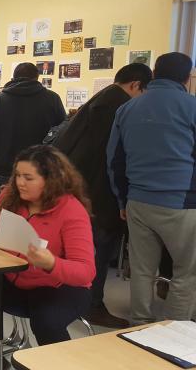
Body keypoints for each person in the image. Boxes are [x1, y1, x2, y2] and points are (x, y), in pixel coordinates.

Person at [0, 145, 95, 368]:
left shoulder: (71, 210)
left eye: (28, 177)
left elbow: (85, 271)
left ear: (51, 179)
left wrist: (51, 263)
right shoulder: (11, 195)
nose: (20, 182)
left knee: (46, 322)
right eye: (17, 175)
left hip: (57, 286)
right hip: (13, 277)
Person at [55, 63, 152, 328]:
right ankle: (90, 305)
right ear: (135, 85)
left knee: (84, 250)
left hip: (79, 188)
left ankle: (81, 302)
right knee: (96, 251)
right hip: (99, 193)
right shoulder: (118, 107)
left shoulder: (99, 101)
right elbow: (113, 158)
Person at [107, 52, 196, 325]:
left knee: (143, 270)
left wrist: (122, 201)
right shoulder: (191, 106)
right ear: (186, 77)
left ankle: (140, 324)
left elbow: (114, 159)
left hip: (138, 202)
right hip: (182, 203)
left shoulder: (127, 108)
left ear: (155, 73)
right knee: (187, 271)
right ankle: (174, 329)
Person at [0, 63, 66, 188]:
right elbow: (63, 133)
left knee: (7, 207)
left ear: (13, 77)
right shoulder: (53, 99)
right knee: (37, 207)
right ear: (37, 77)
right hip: (40, 169)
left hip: (6, 170)